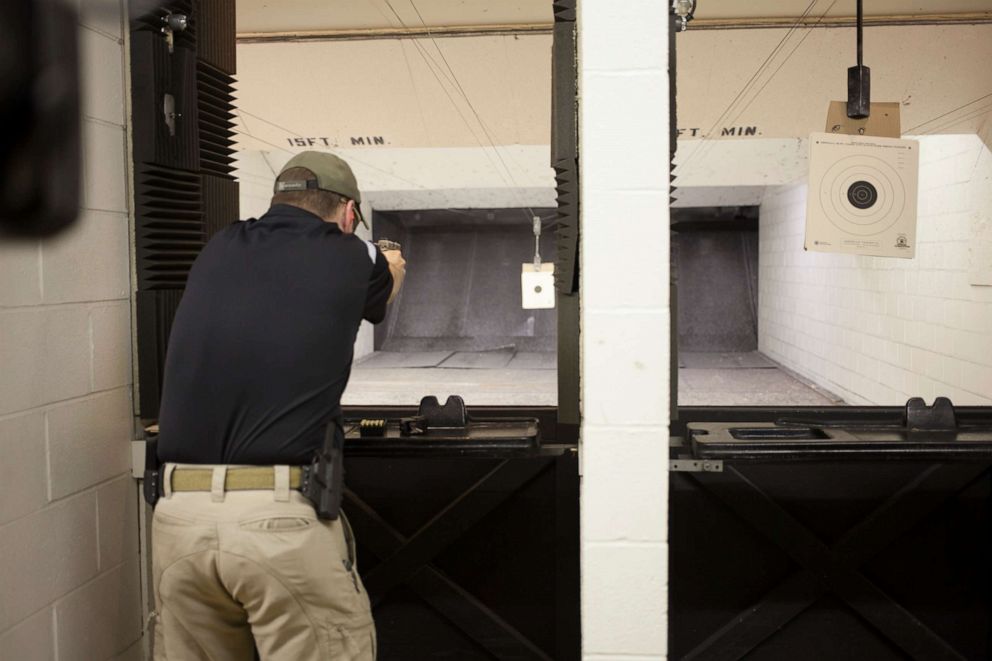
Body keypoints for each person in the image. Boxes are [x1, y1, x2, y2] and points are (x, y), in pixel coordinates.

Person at [150, 151, 405, 660]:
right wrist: (392, 262)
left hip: (178, 522)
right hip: (276, 525)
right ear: (348, 214)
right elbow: (381, 298)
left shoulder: (218, 247)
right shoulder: (354, 254)